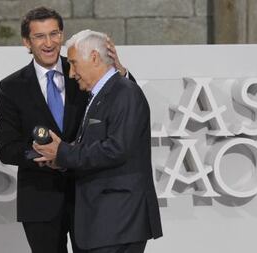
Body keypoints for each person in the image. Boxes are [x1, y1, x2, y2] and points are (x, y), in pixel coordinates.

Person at [0, 6, 133, 253]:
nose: (49, 43)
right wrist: (46, 157)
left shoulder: (81, 72)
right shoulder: (11, 87)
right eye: (40, 36)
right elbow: (7, 149)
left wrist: (120, 72)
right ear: (26, 42)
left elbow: (121, 102)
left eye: (54, 34)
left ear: (61, 35)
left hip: (88, 195)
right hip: (40, 201)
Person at [33, 30, 163, 253]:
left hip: (117, 222)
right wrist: (61, 159)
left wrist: (63, 152)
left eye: (74, 63)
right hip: (101, 224)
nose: (71, 73)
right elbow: (96, 146)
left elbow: (116, 149)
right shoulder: (100, 95)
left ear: (94, 57)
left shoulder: (124, 93)